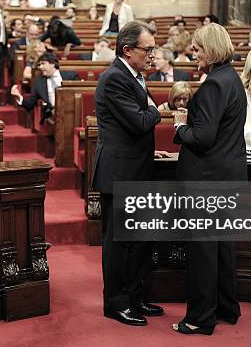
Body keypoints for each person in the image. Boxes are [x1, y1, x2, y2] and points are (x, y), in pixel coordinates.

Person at [172, 23, 245, 335]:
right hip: (226, 177)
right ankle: (226, 309)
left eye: (198, 48)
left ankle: (200, 319)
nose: (193, 53)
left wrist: (179, 127)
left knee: (203, 252)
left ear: (212, 50)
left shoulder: (215, 83)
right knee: (221, 248)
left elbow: (202, 138)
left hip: (207, 181)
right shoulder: (231, 78)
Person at [89, 21, 163, 326]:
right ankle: (116, 303)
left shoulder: (135, 76)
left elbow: (140, 119)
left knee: (141, 238)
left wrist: (149, 109)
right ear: (127, 49)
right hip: (120, 172)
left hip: (138, 167)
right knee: (120, 242)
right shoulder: (114, 78)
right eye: (148, 49)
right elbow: (140, 122)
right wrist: (156, 110)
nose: (152, 54)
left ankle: (135, 296)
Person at [11, 52, 78, 121]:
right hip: (52, 115)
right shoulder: (38, 82)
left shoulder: (71, 76)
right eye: (40, 65)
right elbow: (31, 103)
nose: (40, 67)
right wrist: (19, 97)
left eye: (43, 64)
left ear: (52, 64)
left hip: (71, 111)